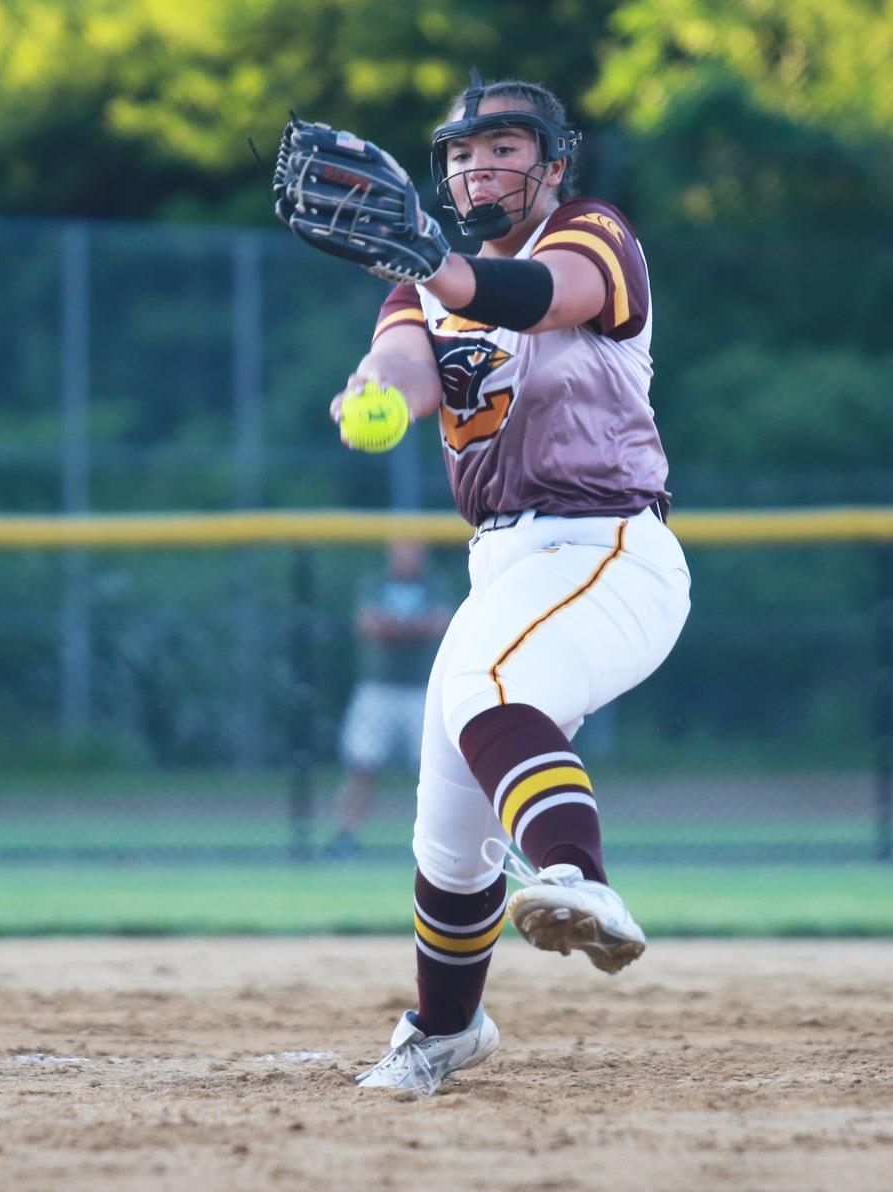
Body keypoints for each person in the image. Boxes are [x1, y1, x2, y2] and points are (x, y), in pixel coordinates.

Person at [290, 72, 692, 1095]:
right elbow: (408, 372)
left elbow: (536, 295)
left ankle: (577, 875)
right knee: (448, 827)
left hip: (606, 544)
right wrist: (372, 389)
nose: (481, 165)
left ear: (552, 165)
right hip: (503, 565)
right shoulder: (423, 285)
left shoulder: (593, 233)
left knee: (492, 691)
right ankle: (445, 1027)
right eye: (465, 152)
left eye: (505, 147)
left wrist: (439, 264)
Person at [324, 540, 452, 859]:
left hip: (422, 690)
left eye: (414, 550)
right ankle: (345, 837)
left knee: (438, 769)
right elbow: (368, 624)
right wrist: (414, 627)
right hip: (378, 689)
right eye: (402, 550)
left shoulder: (434, 586)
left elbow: (441, 625)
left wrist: (392, 626)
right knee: (361, 766)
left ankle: (444, 843)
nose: (408, 556)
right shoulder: (376, 584)